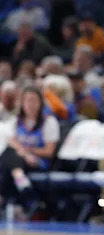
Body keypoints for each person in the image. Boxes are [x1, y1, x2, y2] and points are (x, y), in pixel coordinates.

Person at [0, 86, 59, 215]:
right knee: (8, 154)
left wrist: (29, 152)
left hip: (39, 161)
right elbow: (11, 141)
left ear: (40, 103)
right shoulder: (16, 120)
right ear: (22, 103)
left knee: (7, 158)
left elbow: (49, 151)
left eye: (34, 101)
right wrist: (25, 154)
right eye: (27, 101)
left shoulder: (48, 121)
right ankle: (19, 179)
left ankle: (5, 198)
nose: (30, 105)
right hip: (21, 159)